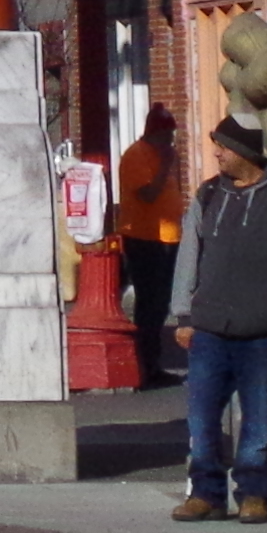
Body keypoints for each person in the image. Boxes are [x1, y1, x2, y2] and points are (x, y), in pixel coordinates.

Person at [170, 113, 267, 523]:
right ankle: (206, 494)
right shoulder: (208, 195)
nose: (216, 152)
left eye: (224, 146)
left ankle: (254, 493)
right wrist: (184, 314)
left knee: (259, 418)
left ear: (245, 152)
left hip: (261, 333)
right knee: (202, 419)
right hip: (209, 330)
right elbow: (188, 258)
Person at [113, 111, 184, 386]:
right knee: (149, 304)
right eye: (166, 135)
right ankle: (145, 367)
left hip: (168, 238)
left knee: (161, 302)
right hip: (144, 238)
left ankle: (153, 364)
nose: (170, 142)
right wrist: (166, 165)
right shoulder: (137, 156)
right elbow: (147, 194)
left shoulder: (161, 155)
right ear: (154, 133)